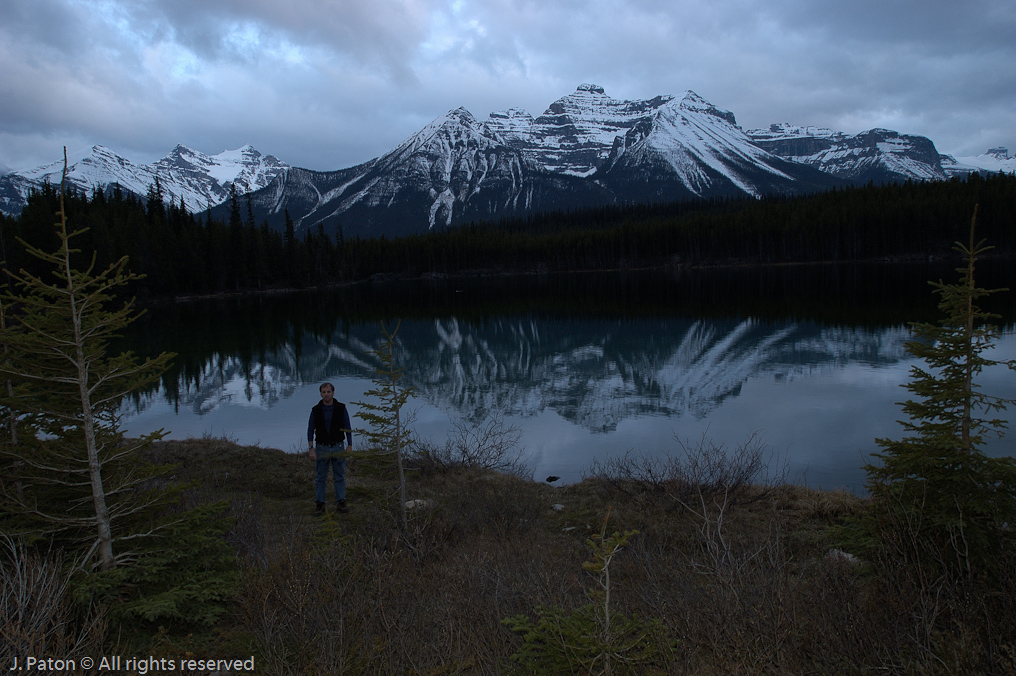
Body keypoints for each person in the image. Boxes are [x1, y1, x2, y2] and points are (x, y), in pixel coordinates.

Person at [308, 382, 353, 515]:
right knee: (320, 477)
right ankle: (320, 503)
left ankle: (341, 502)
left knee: (339, 476)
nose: (326, 394)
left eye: (328, 392)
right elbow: (310, 429)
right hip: (321, 447)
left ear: (333, 393)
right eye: (324, 392)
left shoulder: (341, 408)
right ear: (320, 394)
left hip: (338, 446)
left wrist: (350, 445)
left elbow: (347, 427)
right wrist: (311, 448)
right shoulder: (315, 410)